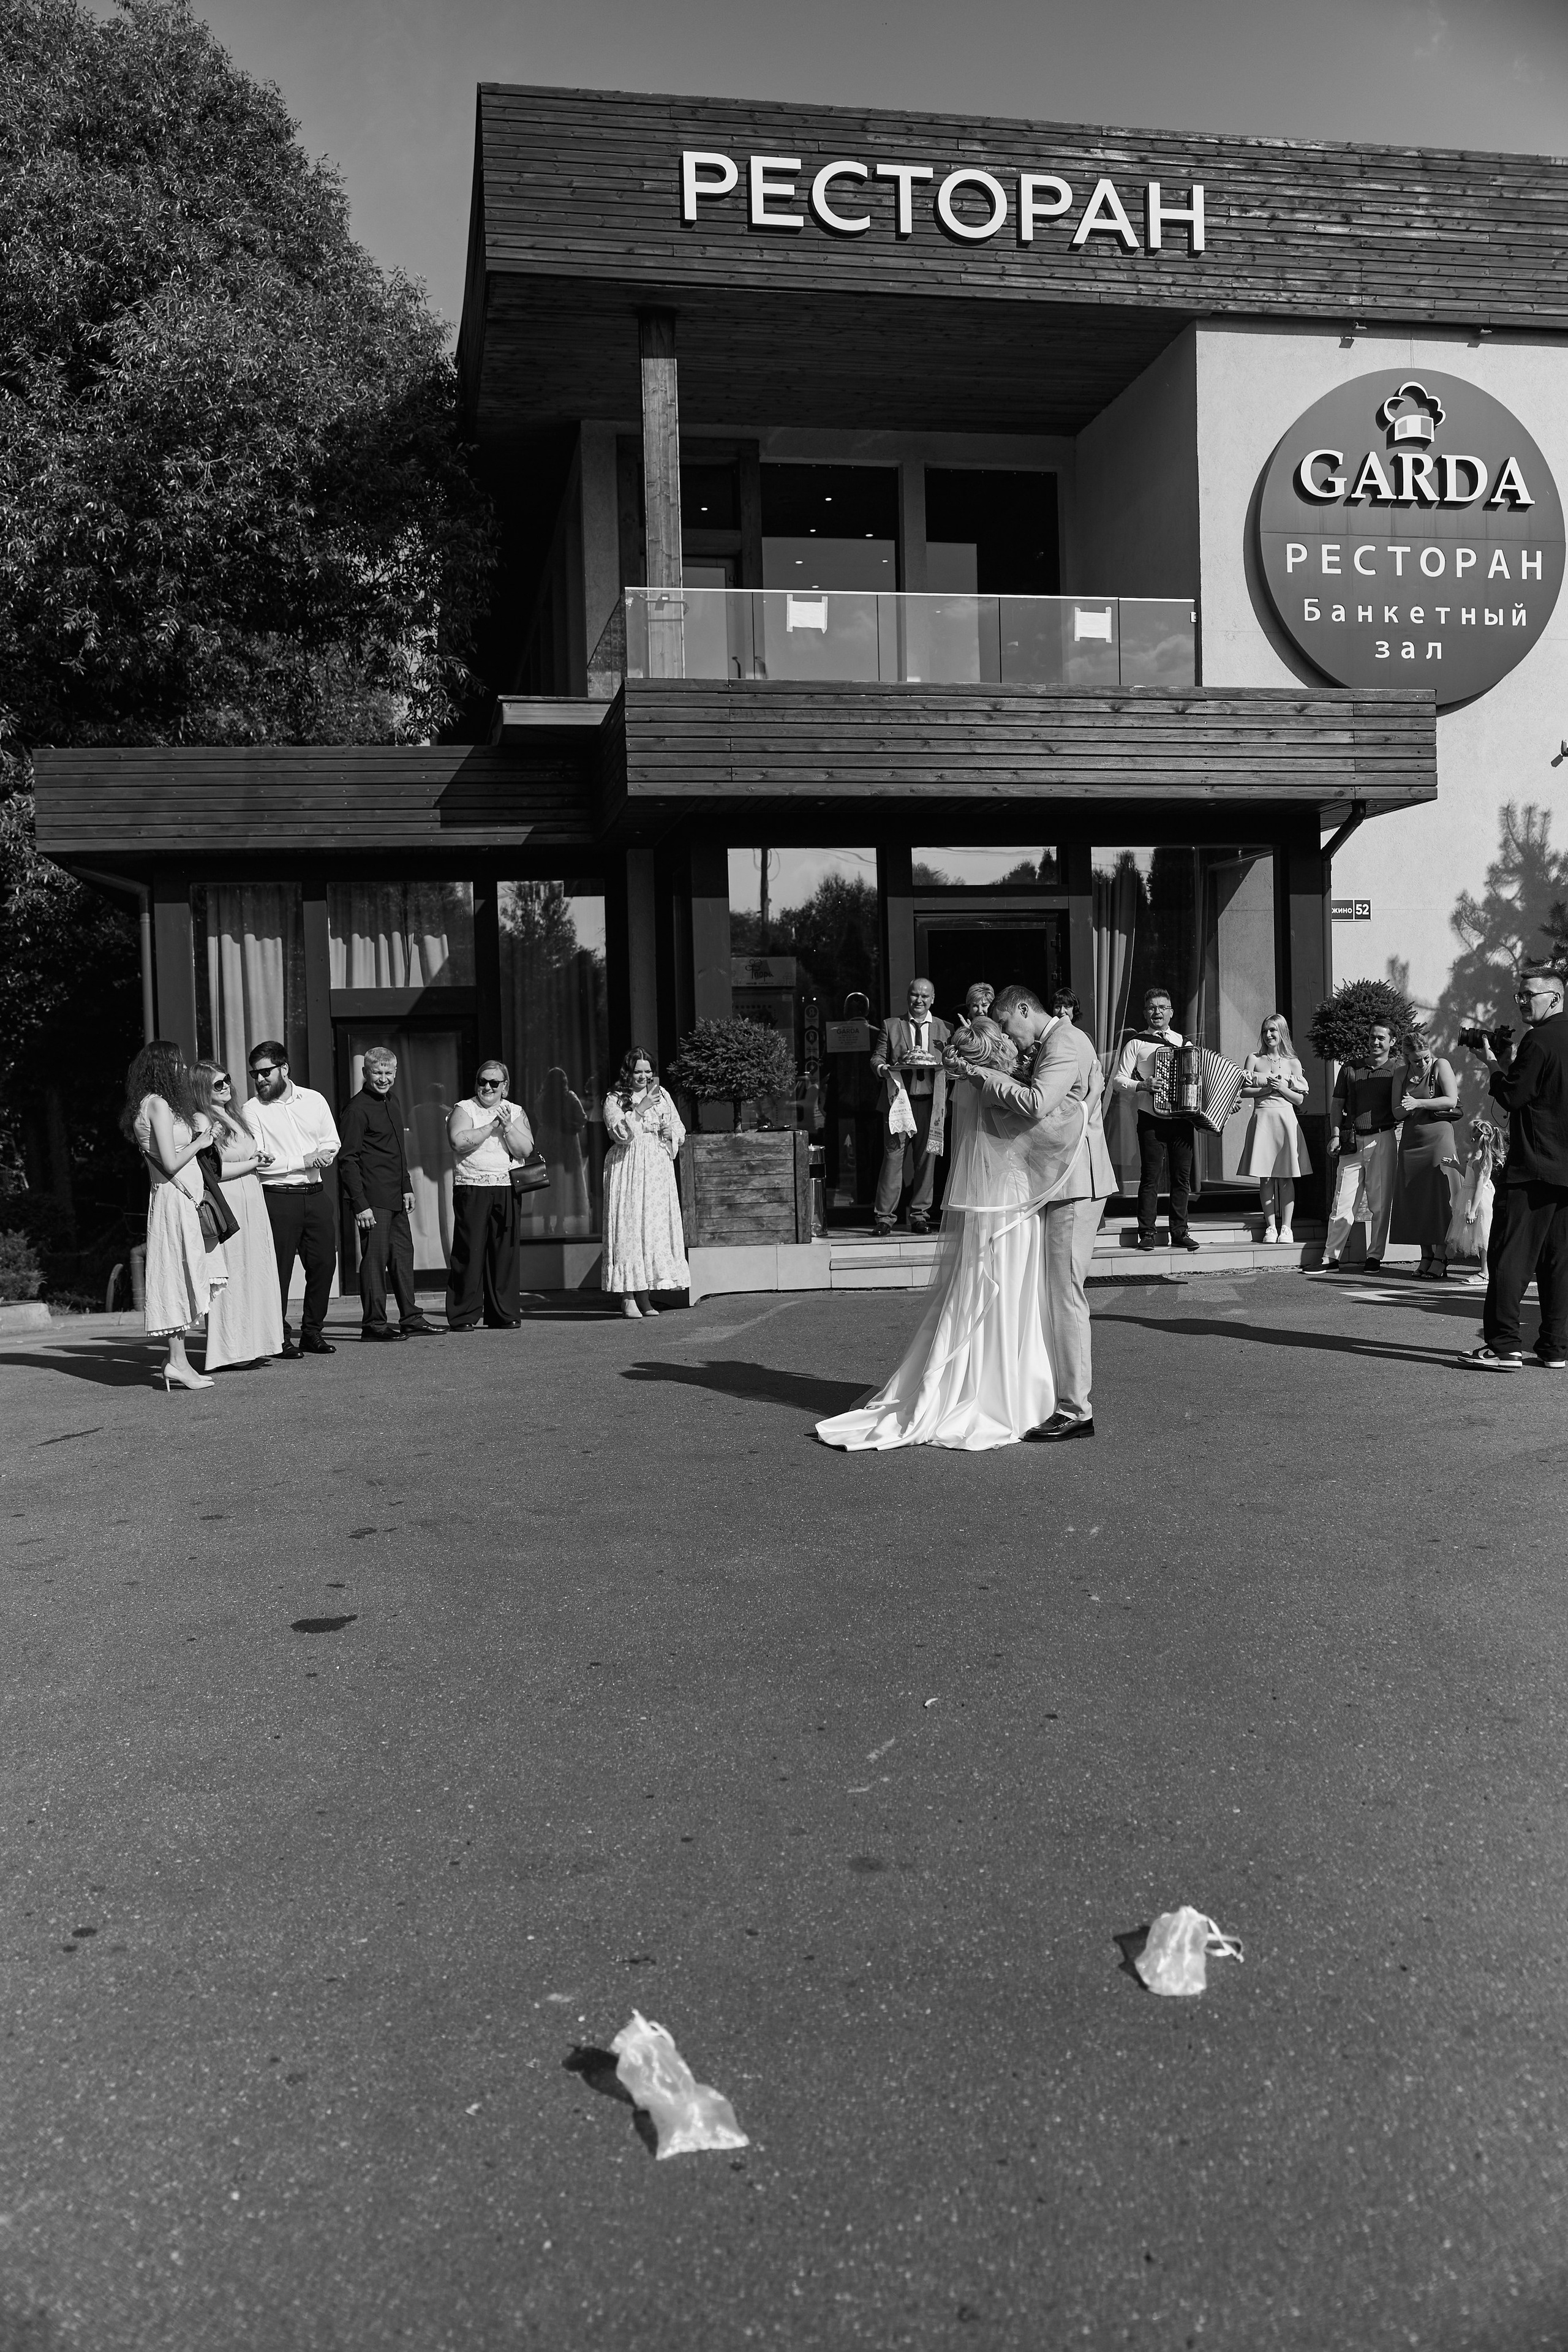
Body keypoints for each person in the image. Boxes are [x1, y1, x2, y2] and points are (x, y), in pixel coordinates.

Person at [817, 983, 1114, 1451]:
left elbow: (1038, 1104)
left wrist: (978, 1074)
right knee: (1050, 1293)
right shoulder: (1058, 1043)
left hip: (1075, 1183)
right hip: (1052, 1179)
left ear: (1023, 1009)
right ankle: (1051, 1397)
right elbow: (1079, 1098)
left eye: (1011, 1026)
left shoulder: (1063, 1042)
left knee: (1064, 1294)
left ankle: (1076, 1409)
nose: (1013, 1040)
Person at [1458, 969, 1568, 1371]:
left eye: (1530, 996)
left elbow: (1515, 1096)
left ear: (1555, 998)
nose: (1522, 1002)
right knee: (1560, 1263)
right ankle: (1556, 1348)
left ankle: (1504, 1347)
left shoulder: (1538, 1039)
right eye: (1519, 996)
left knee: (1510, 1258)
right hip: (1564, 1173)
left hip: (1533, 1169)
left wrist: (1493, 1064)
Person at [121, 1039, 226, 1391]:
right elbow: (169, 1162)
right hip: (175, 1200)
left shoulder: (152, 1104)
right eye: (177, 1064)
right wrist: (201, 1141)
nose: (183, 1069)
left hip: (177, 1198)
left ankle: (178, 1362)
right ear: (162, 1068)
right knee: (175, 1276)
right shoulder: (158, 1105)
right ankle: (177, 1363)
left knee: (179, 1274)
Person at [241, 1041, 341, 1357]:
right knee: (278, 1271)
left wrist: (323, 1156)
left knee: (324, 1264)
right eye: (254, 1074)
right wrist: (305, 1158)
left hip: (316, 1194)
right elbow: (261, 1159)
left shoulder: (314, 1099)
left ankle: (312, 1332)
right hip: (277, 1197)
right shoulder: (252, 1109)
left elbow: (332, 1140)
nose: (259, 1080)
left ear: (284, 1068)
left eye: (265, 1072)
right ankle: (278, 1337)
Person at [338, 1048, 440, 1341]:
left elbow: (398, 1151)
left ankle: (411, 1318)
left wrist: (406, 1185)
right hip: (372, 1200)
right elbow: (348, 1160)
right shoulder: (356, 1110)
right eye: (377, 1073)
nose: (383, 1079)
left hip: (395, 1195)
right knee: (374, 1262)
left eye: (388, 1073)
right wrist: (360, 1205)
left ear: (395, 1074)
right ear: (365, 1073)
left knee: (403, 1258)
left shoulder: (392, 1101)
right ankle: (374, 1325)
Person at [192, 1059, 284, 1369]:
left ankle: (256, 1343)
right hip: (228, 1201)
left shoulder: (232, 1115)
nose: (226, 1087)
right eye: (218, 1084)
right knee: (233, 1274)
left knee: (254, 1270)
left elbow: (238, 1156)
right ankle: (232, 1350)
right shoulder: (203, 1121)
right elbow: (212, 1171)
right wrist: (253, 1164)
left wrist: (257, 1157)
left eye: (227, 1080)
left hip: (250, 1198)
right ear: (202, 1090)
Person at [447, 1060, 533, 1331]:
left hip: (507, 1187)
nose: (488, 1087)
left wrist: (507, 1126)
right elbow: (458, 1142)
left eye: (494, 1083)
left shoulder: (516, 1112)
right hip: (472, 1187)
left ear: (504, 1087)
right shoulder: (464, 1108)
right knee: (469, 1252)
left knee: (504, 1253)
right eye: (483, 1081)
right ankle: (464, 1315)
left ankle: (503, 1314)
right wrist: (490, 1126)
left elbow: (525, 1150)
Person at [602, 1047, 689, 1316]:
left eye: (648, 1071)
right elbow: (620, 1133)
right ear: (628, 1073)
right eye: (638, 1071)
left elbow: (679, 1129)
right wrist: (639, 1109)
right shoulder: (615, 1099)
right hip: (628, 1165)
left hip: (656, 1168)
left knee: (651, 1227)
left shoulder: (662, 1096)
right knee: (630, 1226)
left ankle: (645, 1295)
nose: (644, 1076)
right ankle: (627, 1295)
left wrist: (668, 1132)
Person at [1112, 987, 1199, 1253]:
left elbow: (1199, 1080)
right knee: (1150, 1177)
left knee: (1181, 1178)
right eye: (1151, 1008)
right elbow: (1117, 1080)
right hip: (1151, 1118)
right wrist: (1142, 1085)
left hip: (1181, 1119)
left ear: (1171, 1012)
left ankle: (1180, 1232)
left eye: (1162, 1007)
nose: (1157, 1012)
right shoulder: (1136, 1043)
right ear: (1145, 1012)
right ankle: (1147, 1233)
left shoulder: (1185, 1043)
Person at [871, 979, 951, 1237]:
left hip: (931, 1104)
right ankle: (884, 1218)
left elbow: (952, 1064)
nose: (919, 1001)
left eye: (925, 997)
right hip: (899, 1103)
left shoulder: (945, 1029)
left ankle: (920, 1216)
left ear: (933, 999)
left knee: (926, 1162)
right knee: (893, 1160)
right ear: (908, 997)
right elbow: (877, 1058)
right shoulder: (892, 1026)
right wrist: (883, 1069)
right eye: (915, 995)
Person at [1323, 1020, 1401, 1270]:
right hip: (1352, 1140)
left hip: (1383, 1137)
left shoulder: (1399, 1070)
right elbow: (1337, 1105)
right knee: (1342, 1201)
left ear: (1392, 1042)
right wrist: (1335, 1135)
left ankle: (1375, 1257)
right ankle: (1330, 1258)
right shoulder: (1350, 1068)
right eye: (1371, 1037)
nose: (1375, 1042)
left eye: (1381, 1038)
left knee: (1380, 1202)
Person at [1392, 1029, 1461, 1278]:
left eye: (1425, 1057)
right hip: (1412, 1141)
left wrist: (1418, 1102)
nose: (1422, 1062)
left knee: (1440, 1197)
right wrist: (1407, 1102)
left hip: (1439, 1138)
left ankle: (1442, 1257)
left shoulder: (1440, 1065)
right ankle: (1426, 1256)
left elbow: (1451, 1100)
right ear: (1406, 1058)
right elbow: (1397, 1112)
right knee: (1417, 1198)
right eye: (1416, 1059)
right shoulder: (1401, 1073)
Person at [1238, 1014, 1311, 1246]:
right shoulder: (1254, 1059)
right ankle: (1270, 1226)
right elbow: (1242, 1090)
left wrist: (1281, 1087)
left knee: (1287, 1177)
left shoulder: (1293, 1062)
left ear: (1282, 1033)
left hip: (1285, 1120)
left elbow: (1299, 1099)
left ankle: (1287, 1228)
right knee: (1266, 1177)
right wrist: (1266, 1089)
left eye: (1273, 1030)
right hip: (1262, 1119)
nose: (1269, 1035)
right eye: (1265, 1031)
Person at [1447, 1115, 1505, 1289]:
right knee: (1480, 1236)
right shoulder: (1477, 1159)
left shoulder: (1481, 1161)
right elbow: (1471, 1177)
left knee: (1483, 1236)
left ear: (1474, 1139)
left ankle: (1485, 1272)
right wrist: (1457, 1167)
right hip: (1473, 1197)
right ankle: (1486, 1270)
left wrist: (1472, 1210)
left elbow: (1480, 1186)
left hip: (1479, 1200)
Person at [534, 1066, 592, 1235]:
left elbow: (538, 1116)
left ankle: (546, 1222)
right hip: (566, 1142)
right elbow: (582, 1118)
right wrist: (571, 1126)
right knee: (563, 1184)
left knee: (547, 1183)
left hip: (546, 1141)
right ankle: (560, 1222)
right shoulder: (570, 1097)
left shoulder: (542, 1098)